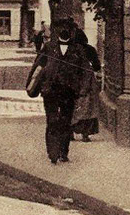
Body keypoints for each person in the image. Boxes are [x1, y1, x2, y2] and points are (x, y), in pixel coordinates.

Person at [26, 19, 95, 164]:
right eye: (61, 28)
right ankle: (52, 152)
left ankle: (63, 152)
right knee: (52, 121)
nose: (64, 31)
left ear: (71, 32)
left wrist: (82, 89)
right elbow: (38, 66)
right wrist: (31, 86)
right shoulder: (49, 47)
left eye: (67, 29)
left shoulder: (78, 49)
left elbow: (87, 71)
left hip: (69, 92)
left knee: (65, 122)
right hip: (50, 90)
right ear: (57, 31)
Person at [71, 27, 102, 142]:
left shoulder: (70, 49)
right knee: (88, 106)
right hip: (87, 80)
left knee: (73, 106)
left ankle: (70, 132)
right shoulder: (90, 49)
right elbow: (97, 66)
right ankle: (85, 134)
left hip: (73, 79)